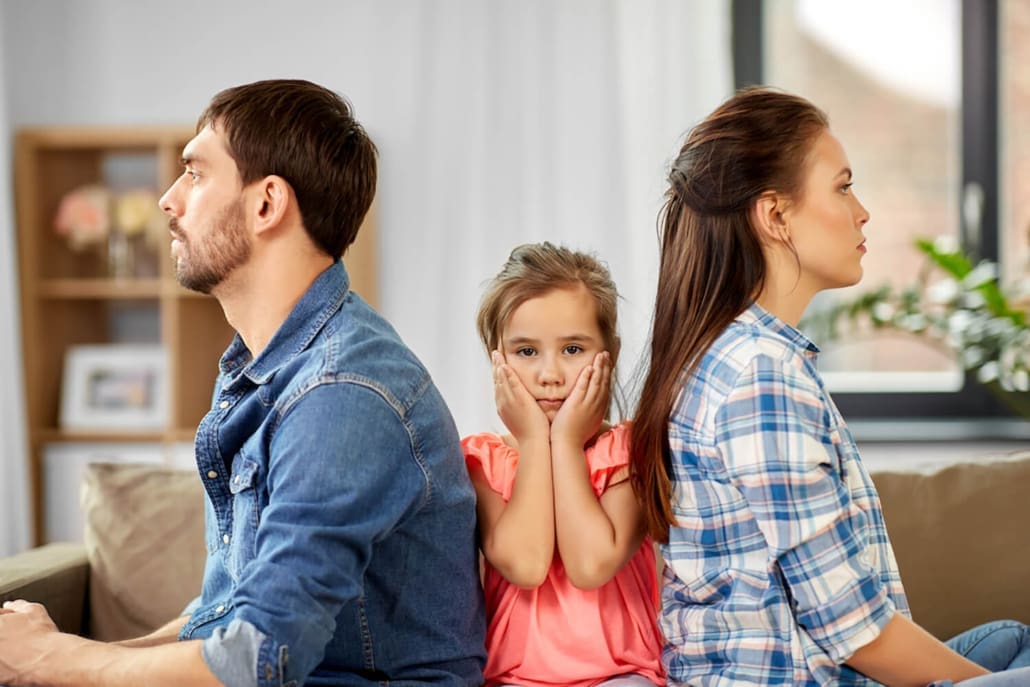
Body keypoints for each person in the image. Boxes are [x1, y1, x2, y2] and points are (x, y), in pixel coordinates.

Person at [0, 79, 486, 686]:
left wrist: (53, 659)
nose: (168, 200)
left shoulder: (340, 393)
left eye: (196, 173)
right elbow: (225, 618)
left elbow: (259, 657)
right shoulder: (265, 372)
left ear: (266, 205)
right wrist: (54, 658)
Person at [628, 85, 1030, 686]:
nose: (862, 210)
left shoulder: (734, 355)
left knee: (1013, 641)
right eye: (842, 187)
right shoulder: (760, 378)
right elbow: (856, 633)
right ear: (775, 216)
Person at [463, 242, 665, 687]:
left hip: (621, 675)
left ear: (608, 353)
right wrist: (537, 441)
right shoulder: (482, 462)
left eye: (573, 349)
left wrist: (568, 445)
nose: (550, 374)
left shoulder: (628, 453)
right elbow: (527, 564)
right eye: (526, 351)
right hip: (512, 678)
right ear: (496, 359)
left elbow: (591, 564)